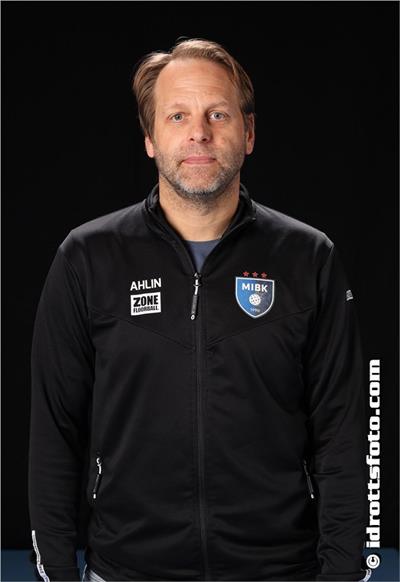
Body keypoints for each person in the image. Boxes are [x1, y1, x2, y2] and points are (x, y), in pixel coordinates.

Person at [28, 38, 372, 582]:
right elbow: (54, 431)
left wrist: (343, 572)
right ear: (149, 137)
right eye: (177, 116)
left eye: (218, 114)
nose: (199, 133)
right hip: (126, 570)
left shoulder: (310, 258)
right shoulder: (87, 258)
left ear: (249, 132)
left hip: (280, 570)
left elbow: (345, 433)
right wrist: (56, 570)